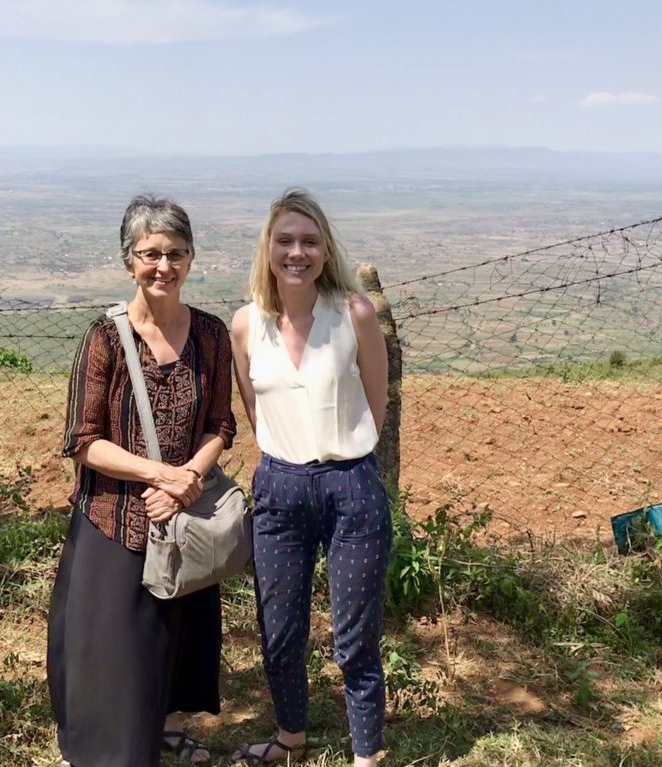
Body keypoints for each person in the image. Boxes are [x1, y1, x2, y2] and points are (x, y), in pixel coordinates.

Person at [48, 194, 236, 767]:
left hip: (185, 515)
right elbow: (82, 440)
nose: (163, 266)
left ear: (191, 258)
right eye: (150, 254)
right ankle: (107, 751)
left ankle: (169, 728)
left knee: (177, 634)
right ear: (129, 262)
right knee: (114, 648)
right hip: (112, 518)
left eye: (175, 253)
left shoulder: (210, 335)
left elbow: (220, 424)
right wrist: (161, 475)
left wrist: (189, 479)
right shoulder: (104, 338)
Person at [230, 189, 391, 767]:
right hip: (279, 488)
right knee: (279, 631)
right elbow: (256, 411)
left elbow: (377, 406)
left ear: (325, 251)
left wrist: (339, 451)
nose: (296, 253)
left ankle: (365, 754)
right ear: (267, 249)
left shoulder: (354, 315)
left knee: (355, 637)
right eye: (285, 241)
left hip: (351, 487)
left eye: (309, 241)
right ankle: (290, 738)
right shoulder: (246, 325)